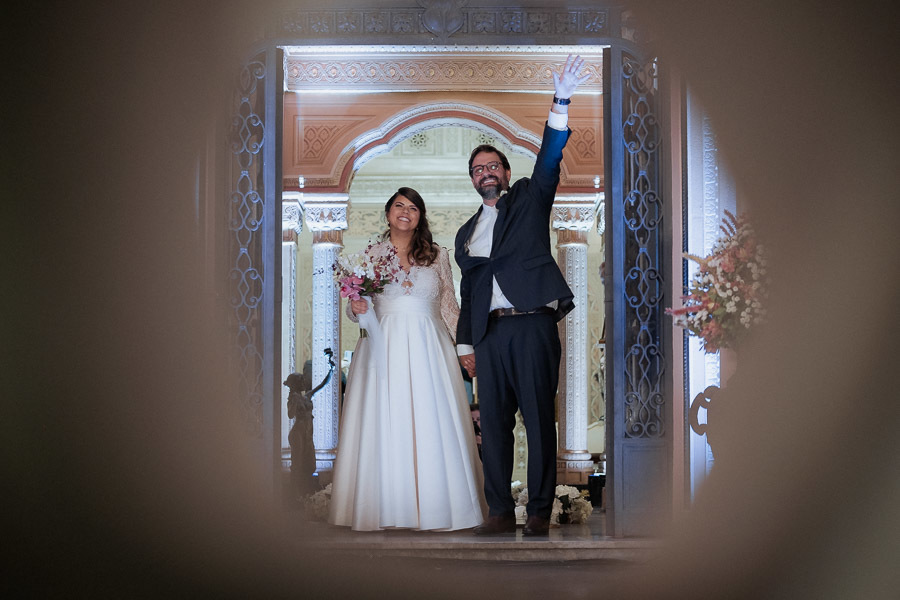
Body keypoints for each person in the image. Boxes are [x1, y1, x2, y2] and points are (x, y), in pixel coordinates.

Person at [455, 55, 589, 536]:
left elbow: (549, 158)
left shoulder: (530, 199)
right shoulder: (466, 232)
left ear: (507, 173)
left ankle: (537, 512)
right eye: (478, 169)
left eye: (492, 166)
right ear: (473, 179)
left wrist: (561, 101)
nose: (485, 172)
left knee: (537, 420)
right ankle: (497, 511)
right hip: (489, 335)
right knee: (492, 425)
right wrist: (465, 343)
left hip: (532, 323)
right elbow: (470, 289)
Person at [328, 187, 487, 531]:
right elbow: (358, 309)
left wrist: (466, 348)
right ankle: (384, 507)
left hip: (430, 347)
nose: (405, 212)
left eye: (413, 208)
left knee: (431, 418)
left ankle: (437, 507)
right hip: (383, 347)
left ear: (420, 217)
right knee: (384, 418)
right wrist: (354, 307)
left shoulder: (438, 255)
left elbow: (449, 306)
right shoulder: (369, 255)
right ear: (388, 213)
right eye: (399, 205)